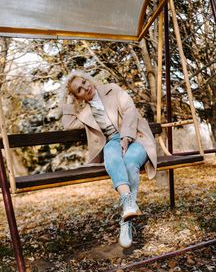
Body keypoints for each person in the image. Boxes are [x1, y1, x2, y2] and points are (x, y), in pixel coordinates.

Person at [61, 70, 157, 248]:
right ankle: (129, 205)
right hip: (112, 141)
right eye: (79, 90)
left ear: (88, 79)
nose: (85, 87)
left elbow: (130, 110)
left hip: (136, 136)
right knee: (111, 156)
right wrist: (69, 100)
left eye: (84, 82)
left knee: (129, 162)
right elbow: (68, 125)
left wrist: (126, 137)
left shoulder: (112, 90)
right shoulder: (85, 112)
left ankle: (126, 222)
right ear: (78, 97)